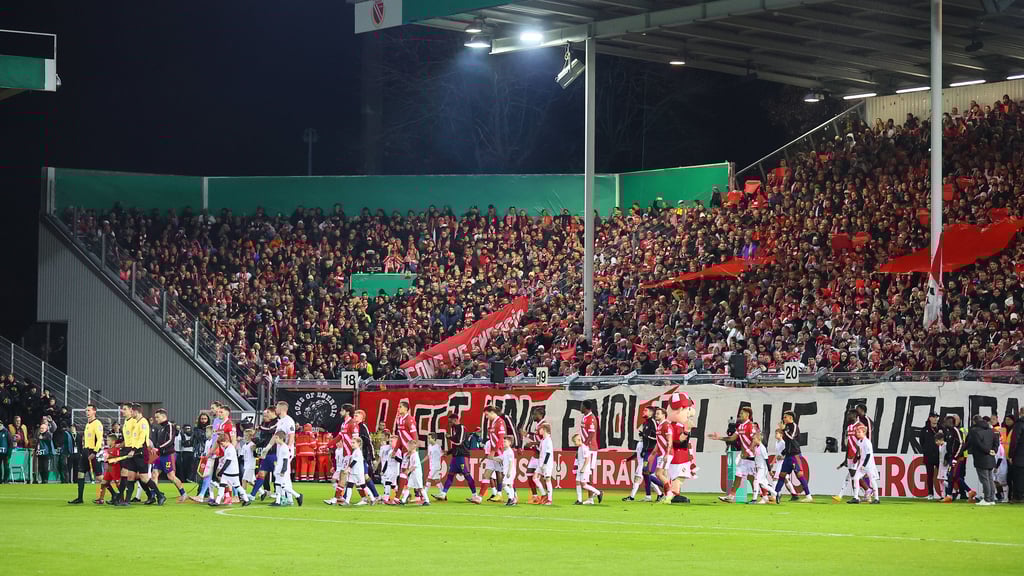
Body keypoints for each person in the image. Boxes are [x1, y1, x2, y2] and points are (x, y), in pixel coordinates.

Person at [709, 406, 756, 503]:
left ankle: (766, 495)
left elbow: (755, 440)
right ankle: (731, 496)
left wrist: (748, 451)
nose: (740, 415)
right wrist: (719, 438)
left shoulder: (751, 426)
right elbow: (732, 438)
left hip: (752, 456)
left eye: (742, 413)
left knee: (754, 478)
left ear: (747, 415)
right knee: (738, 475)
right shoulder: (740, 427)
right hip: (744, 457)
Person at [433, 413, 478, 503]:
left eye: (450, 422)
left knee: (467, 475)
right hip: (455, 456)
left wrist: (449, 437)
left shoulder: (461, 428)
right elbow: (455, 445)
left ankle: (475, 496)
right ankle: (443, 494)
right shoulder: (454, 429)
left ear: (456, 420)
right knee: (450, 475)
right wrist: (448, 452)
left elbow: (459, 441)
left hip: (462, 456)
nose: (449, 424)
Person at [773, 411, 812, 503]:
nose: (783, 419)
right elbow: (788, 443)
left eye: (785, 417)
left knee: (799, 475)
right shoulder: (786, 428)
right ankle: (776, 494)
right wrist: (783, 453)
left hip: (795, 455)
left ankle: (808, 496)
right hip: (788, 456)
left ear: (790, 418)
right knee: (782, 475)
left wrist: (783, 429)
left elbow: (791, 437)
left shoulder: (794, 426)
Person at [68, 404, 102, 504]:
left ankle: (114, 494)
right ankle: (80, 498)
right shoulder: (88, 424)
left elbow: (99, 439)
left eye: (89, 410)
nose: (87, 412)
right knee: (80, 473)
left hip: (93, 452)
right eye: (86, 410)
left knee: (99, 477)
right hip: (85, 451)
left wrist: (95, 452)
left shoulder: (97, 423)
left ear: (94, 411)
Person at [208, 432, 251, 507]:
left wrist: (221, 471)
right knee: (222, 485)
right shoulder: (227, 448)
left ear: (226, 441)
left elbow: (228, 461)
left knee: (237, 486)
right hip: (227, 472)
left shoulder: (230, 449)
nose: (221, 445)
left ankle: (246, 499)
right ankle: (217, 501)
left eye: (222, 443)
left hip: (232, 472)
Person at [152, 409, 187, 502]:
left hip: (168, 455)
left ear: (164, 416)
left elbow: (170, 440)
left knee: (171, 476)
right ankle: (154, 496)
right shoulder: (161, 428)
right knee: (154, 474)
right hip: (160, 455)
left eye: (157, 417)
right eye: (155, 417)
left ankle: (183, 494)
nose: (156, 419)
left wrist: (158, 448)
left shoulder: (170, 426)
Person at [966, 414, 999, 506]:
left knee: (985, 479)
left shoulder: (974, 431)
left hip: (981, 458)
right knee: (990, 479)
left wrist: (987, 451)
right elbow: (996, 442)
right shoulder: (991, 430)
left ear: (974, 421)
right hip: (991, 458)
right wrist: (993, 450)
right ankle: (991, 499)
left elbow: (977, 444)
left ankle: (987, 499)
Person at [268, 431, 303, 507]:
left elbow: (285, 460)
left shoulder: (284, 448)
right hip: (278, 469)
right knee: (277, 485)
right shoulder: (281, 447)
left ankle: (298, 495)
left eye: (276, 438)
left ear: (281, 438)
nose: (275, 440)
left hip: (282, 470)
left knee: (283, 486)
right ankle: (278, 501)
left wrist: (283, 471)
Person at [849, 424, 880, 504]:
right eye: (857, 432)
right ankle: (855, 497)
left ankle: (877, 499)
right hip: (862, 464)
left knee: (872, 480)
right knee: (856, 478)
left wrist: (864, 465)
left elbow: (869, 455)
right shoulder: (859, 442)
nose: (857, 433)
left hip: (869, 465)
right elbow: (860, 453)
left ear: (864, 432)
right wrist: (857, 458)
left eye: (859, 432)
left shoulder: (867, 442)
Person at [394, 400, 417, 504]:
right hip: (405, 451)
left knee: (405, 473)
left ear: (406, 409)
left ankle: (398, 498)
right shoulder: (399, 419)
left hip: (410, 451)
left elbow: (414, 437)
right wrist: (395, 449)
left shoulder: (410, 420)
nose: (398, 408)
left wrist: (412, 450)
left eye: (400, 407)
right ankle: (415, 495)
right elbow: (400, 437)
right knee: (408, 473)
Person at [481, 406, 506, 502]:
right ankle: (479, 497)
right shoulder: (492, 422)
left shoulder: (500, 422)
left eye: (487, 415)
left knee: (500, 473)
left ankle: (502, 494)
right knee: (486, 474)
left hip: (499, 452)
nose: (486, 417)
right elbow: (492, 439)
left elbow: (501, 439)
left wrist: (494, 451)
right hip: (492, 452)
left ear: (492, 412)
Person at [524, 406, 547, 504]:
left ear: (540, 415)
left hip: (541, 456)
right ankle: (535, 496)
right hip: (535, 455)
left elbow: (544, 440)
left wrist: (531, 441)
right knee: (529, 474)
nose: (533, 416)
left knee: (542, 478)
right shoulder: (538, 425)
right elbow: (537, 437)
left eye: (535, 414)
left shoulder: (544, 425)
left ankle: (546, 496)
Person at [572, 433, 601, 505]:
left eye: (575, 441)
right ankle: (579, 500)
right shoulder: (579, 448)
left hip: (584, 469)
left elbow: (587, 459)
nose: (574, 443)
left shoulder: (584, 448)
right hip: (580, 468)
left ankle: (598, 492)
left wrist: (583, 468)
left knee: (584, 485)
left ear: (579, 440)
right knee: (577, 482)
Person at [919, 412, 942, 500]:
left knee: (942, 475)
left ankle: (944, 493)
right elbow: (921, 441)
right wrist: (926, 450)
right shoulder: (925, 429)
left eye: (936, 417)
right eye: (933, 417)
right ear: (930, 418)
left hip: (940, 456)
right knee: (930, 475)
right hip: (929, 456)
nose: (935, 419)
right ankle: (930, 493)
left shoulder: (941, 428)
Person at [347, 437, 376, 506]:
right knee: (349, 485)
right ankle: (347, 501)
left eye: (353, 443)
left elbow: (354, 461)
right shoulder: (355, 451)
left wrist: (349, 468)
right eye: (351, 443)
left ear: (359, 443)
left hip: (358, 472)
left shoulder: (358, 452)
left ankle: (373, 498)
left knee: (363, 486)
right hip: (353, 472)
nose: (352, 444)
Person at [97, 434, 123, 504]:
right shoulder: (108, 449)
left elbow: (117, 459)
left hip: (115, 468)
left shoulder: (116, 449)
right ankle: (101, 499)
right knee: (104, 483)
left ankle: (122, 499)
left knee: (118, 484)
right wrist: (103, 459)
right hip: (109, 468)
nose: (107, 441)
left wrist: (108, 457)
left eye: (108, 440)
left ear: (113, 441)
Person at [535, 423, 554, 505]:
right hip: (541, 462)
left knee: (547, 479)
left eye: (540, 429)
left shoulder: (548, 440)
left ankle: (549, 499)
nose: (539, 430)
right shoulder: (543, 440)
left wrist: (545, 464)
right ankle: (544, 494)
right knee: (535, 478)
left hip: (547, 463)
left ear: (545, 430)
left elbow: (548, 453)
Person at [1010, 409, 1024, 502]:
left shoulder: (1019, 424)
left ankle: (1018, 497)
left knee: (1018, 477)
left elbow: (1014, 440)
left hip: (1020, 456)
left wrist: (1011, 455)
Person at [500, 436, 518, 506]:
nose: (503, 443)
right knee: (510, 485)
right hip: (509, 471)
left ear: (509, 443)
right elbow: (501, 459)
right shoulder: (505, 451)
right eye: (503, 442)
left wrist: (509, 472)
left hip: (510, 471)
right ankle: (512, 500)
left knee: (504, 484)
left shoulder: (510, 452)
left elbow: (511, 463)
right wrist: (492, 458)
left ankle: (510, 498)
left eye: (505, 442)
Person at [240, 428, 257, 495]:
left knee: (244, 480)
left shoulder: (252, 445)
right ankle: (262, 492)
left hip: (251, 465)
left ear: (251, 436)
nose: (245, 437)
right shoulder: (244, 446)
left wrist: (254, 450)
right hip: (246, 465)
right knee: (250, 481)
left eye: (247, 435)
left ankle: (243, 495)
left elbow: (256, 455)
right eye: (244, 435)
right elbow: (241, 456)